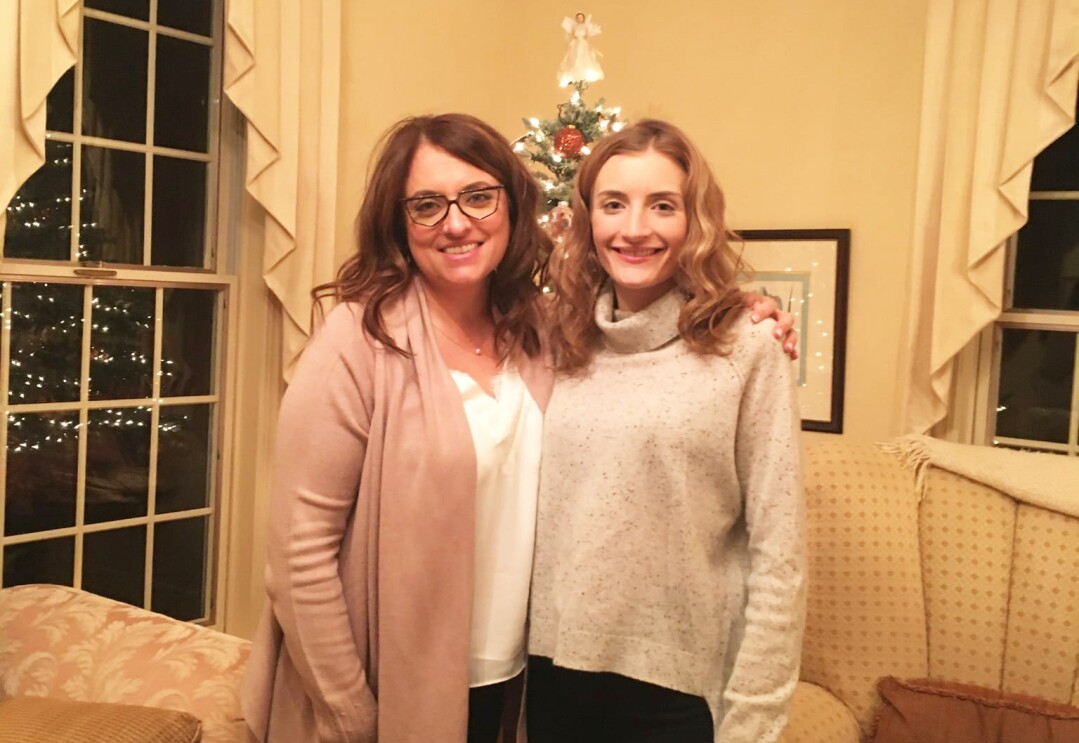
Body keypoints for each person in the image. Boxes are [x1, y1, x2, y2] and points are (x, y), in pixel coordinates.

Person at [241, 112, 798, 743]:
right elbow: (298, 557)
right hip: (398, 687)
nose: (456, 223)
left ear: (512, 206)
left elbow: (656, 348)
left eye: (478, 197)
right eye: (426, 205)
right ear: (398, 222)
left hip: (517, 684)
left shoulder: (546, 331)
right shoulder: (358, 339)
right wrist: (351, 711)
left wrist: (750, 309)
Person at [527, 119, 807, 743]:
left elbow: (779, 552)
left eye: (662, 205)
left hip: (675, 693)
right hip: (551, 675)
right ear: (587, 219)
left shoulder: (748, 347)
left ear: (694, 221)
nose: (634, 229)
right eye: (613, 204)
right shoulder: (556, 337)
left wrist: (755, 718)